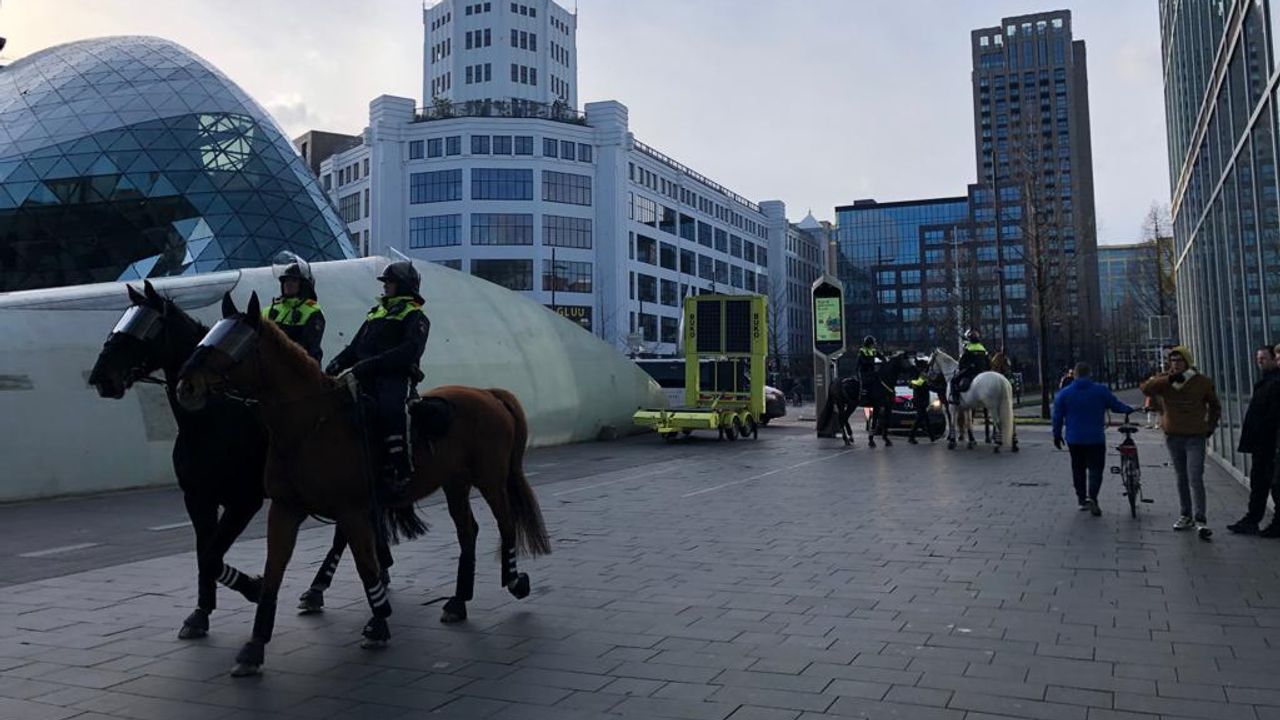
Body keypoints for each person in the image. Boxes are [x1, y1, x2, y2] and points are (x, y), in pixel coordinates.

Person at [326, 261, 431, 502]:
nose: (386, 287)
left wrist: (370, 364)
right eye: (386, 283)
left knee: (391, 411)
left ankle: (401, 470)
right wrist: (336, 364)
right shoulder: (376, 312)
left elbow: (409, 351)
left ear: (403, 285)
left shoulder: (416, 315)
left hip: (395, 376)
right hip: (366, 375)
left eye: (390, 283)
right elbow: (355, 347)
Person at [1141, 345, 1221, 539]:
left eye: (1179, 361)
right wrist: (1168, 378)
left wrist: (1209, 427)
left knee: (1195, 475)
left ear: (1187, 361)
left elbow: (1214, 405)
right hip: (1174, 434)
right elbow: (1146, 388)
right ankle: (1186, 514)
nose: (1175, 364)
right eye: (1172, 361)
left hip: (1195, 435)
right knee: (1181, 476)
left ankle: (1200, 518)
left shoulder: (1201, 381)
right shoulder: (1165, 380)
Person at [1053, 362, 1136, 516]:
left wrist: (1056, 435)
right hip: (1095, 438)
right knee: (1096, 469)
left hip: (1074, 438)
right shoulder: (1100, 391)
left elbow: (1057, 417)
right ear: (1089, 374)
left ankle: (1081, 499)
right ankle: (1093, 496)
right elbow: (1116, 405)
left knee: (1078, 469)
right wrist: (1128, 409)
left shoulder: (1064, 393)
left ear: (1075, 375)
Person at [1227, 345, 1280, 536]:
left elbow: (1271, 417)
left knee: (1271, 483)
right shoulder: (1267, 382)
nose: (1260, 362)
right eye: (1258, 359)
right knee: (1260, 483)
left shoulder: (1274, 383)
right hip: (1262, 443)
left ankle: (1268, 521)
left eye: (1263, 358)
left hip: (1269, 444)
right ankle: (1253, 519)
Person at [263, 262, 325, 363]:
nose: (288, 284)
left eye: (294, 280)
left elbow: (309, 348)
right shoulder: (268, 310)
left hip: (297, 369)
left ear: (303, 285)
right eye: (286, 280)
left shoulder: (312, 312)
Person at [951, 329, 989, 404]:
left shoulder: (968, 348)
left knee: (953, 380)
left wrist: (962, 368)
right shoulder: (983, 348)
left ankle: (956, 399)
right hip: (982, 371)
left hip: (970, 371)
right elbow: (988, 361)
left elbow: (961, 363)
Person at [907, 358, 936, 444]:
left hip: (921, 399)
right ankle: (911, 437)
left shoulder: (919, 374)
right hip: (920, 400)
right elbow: (918, 384)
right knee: (920, 419)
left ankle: (932, 437)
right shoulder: (920, 375)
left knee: (925, 419)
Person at [855, 335, 883, 405]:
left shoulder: (873, 351)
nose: (874, 345)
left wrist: (885, 359)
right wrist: (872, 362)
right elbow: (863, 361)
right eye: (873, 343)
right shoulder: (862, 351)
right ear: (869, 344)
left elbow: (881, 357)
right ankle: (862, 398)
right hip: (864, 372)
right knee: (864, 385)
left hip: (872, 372)